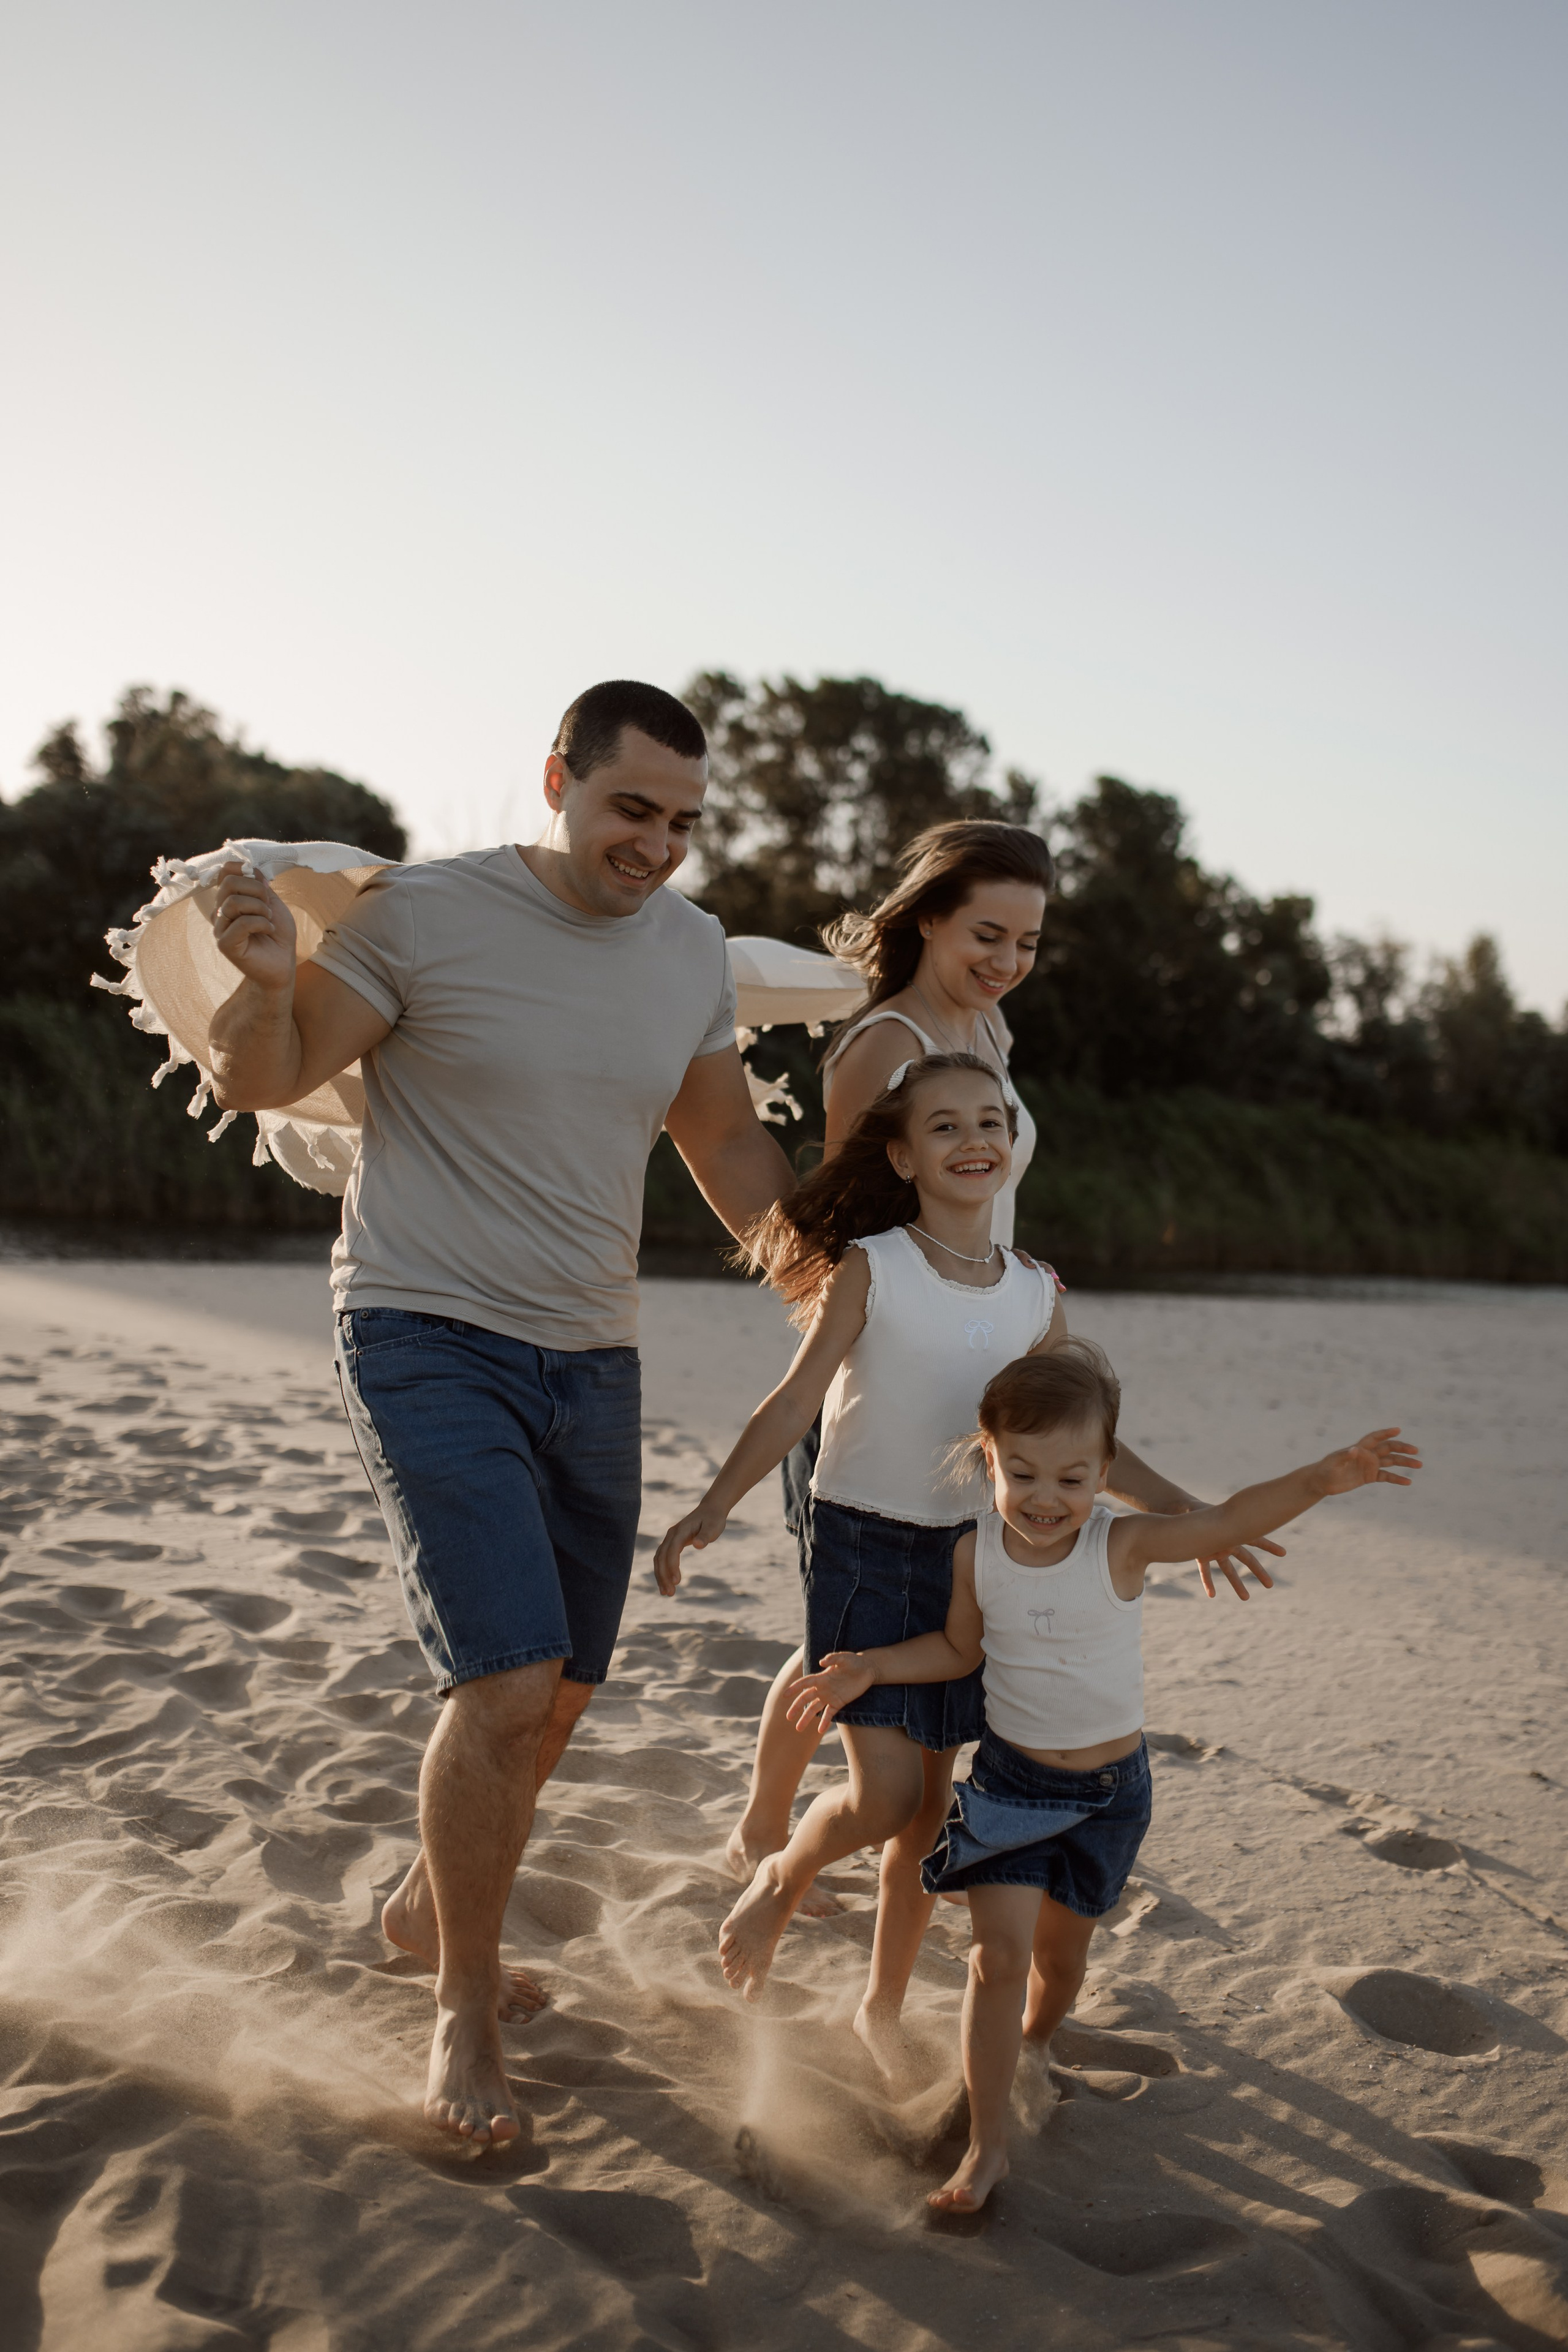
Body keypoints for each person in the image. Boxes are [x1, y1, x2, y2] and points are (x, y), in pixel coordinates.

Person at [203, 680, 794, 2148]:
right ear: (557, 781)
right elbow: (262, 1072)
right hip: (420, 1326)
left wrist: (831, 1283)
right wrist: (270, 975)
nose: (654, 844)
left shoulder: (689, 951)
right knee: (508, 1682)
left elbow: (718, 1135)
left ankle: (424, 1904)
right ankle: (463, 2006)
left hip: (592, 1351)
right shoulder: (429, 917)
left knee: (568, 1688)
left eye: (681, 822)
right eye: (628, 809)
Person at [729, 820, 1282, 1906]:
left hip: (986, 1356)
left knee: (924, 1629)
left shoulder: (987, 1026)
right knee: (860, 1627)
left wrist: (1011, 1291)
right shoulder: (883, 1044)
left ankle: (831, 1854)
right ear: (930, 915)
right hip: (892, 1380)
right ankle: (763, 1815)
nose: (1007, 961)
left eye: (1028, 941)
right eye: (988, 933)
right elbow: (851, 1225)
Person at [787, 1342, 1422, 2214]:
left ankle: (1038, 2047)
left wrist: (1323, 1477)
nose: (1048, 1499)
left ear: (1105, 1474)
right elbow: (958, 1650)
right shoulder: (978, 1555)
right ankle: (984, 2148)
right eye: (1024, 1474)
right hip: (1009, 1788)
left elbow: (1229, 1518)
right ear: (989, 1458)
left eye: (1073, 1479)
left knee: (1060, 1963)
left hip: (1109, 1798)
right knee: (995, 1957)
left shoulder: (1121, 1547)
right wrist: (868, 1667)